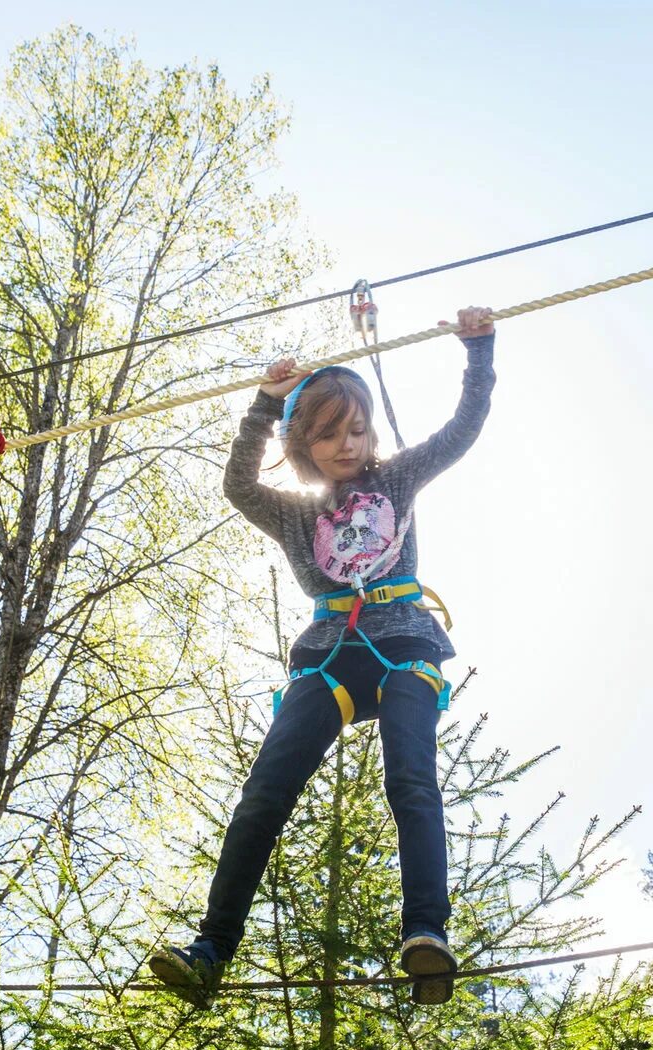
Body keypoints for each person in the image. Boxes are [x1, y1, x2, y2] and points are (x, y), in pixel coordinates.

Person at [148, 306, 497, 1009]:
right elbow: (238, 486)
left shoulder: (396, 480)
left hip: (403, 647)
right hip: (328, 658)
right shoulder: (293, 513)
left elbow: (460, 432)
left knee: (412, 781)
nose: (347, 443)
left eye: (357, 428)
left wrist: (478, 352)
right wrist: (265, 403)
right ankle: (211, 949)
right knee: (262, 800)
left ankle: (426, 933)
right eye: (329, 432)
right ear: (303, 444)